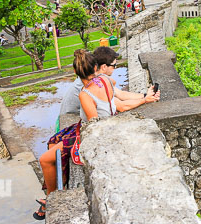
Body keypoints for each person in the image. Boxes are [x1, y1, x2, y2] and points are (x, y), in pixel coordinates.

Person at [36, 50, 159, 220]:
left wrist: (144, 98)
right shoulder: (105, 81)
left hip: (93, 133)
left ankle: (51, 198)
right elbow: (118, 103)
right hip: (104, 124)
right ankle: (56, 190)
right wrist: (144, 98)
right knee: (54, 142)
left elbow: (94, 125)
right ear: (96, 68)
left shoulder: (85, 94)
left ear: (75, 72)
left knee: (45, 159)